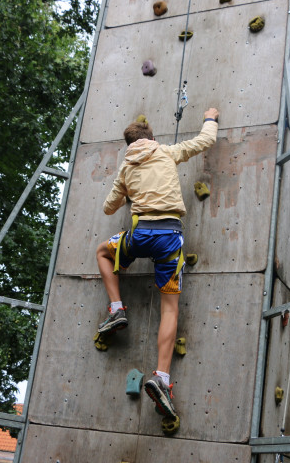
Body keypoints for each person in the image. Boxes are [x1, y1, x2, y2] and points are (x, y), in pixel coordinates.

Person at [95, 108, 220, 421]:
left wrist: (129, 188)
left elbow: (109, 208)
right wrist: (210, 117)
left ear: (129, 145)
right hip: (169, 239)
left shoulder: (125, 167)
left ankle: (116, 310)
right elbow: (205, 141)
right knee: (169, 308)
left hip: (139, 235)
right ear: (151, 139)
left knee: (103, 252)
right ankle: (161, 377)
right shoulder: (167, 152)